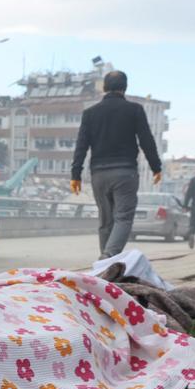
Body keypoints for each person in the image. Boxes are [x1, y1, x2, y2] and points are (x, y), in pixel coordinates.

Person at [70, 70, 162, 259]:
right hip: (125, 173)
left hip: (99, 175)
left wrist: (75, 175)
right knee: (123, 218)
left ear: (104, 87)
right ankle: (108, 257)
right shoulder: (134, 110)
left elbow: (81, 145)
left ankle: (107, 264)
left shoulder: (90, 113)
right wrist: (156, 167)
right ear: (125, 87)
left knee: (105, 221)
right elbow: (146, 140)